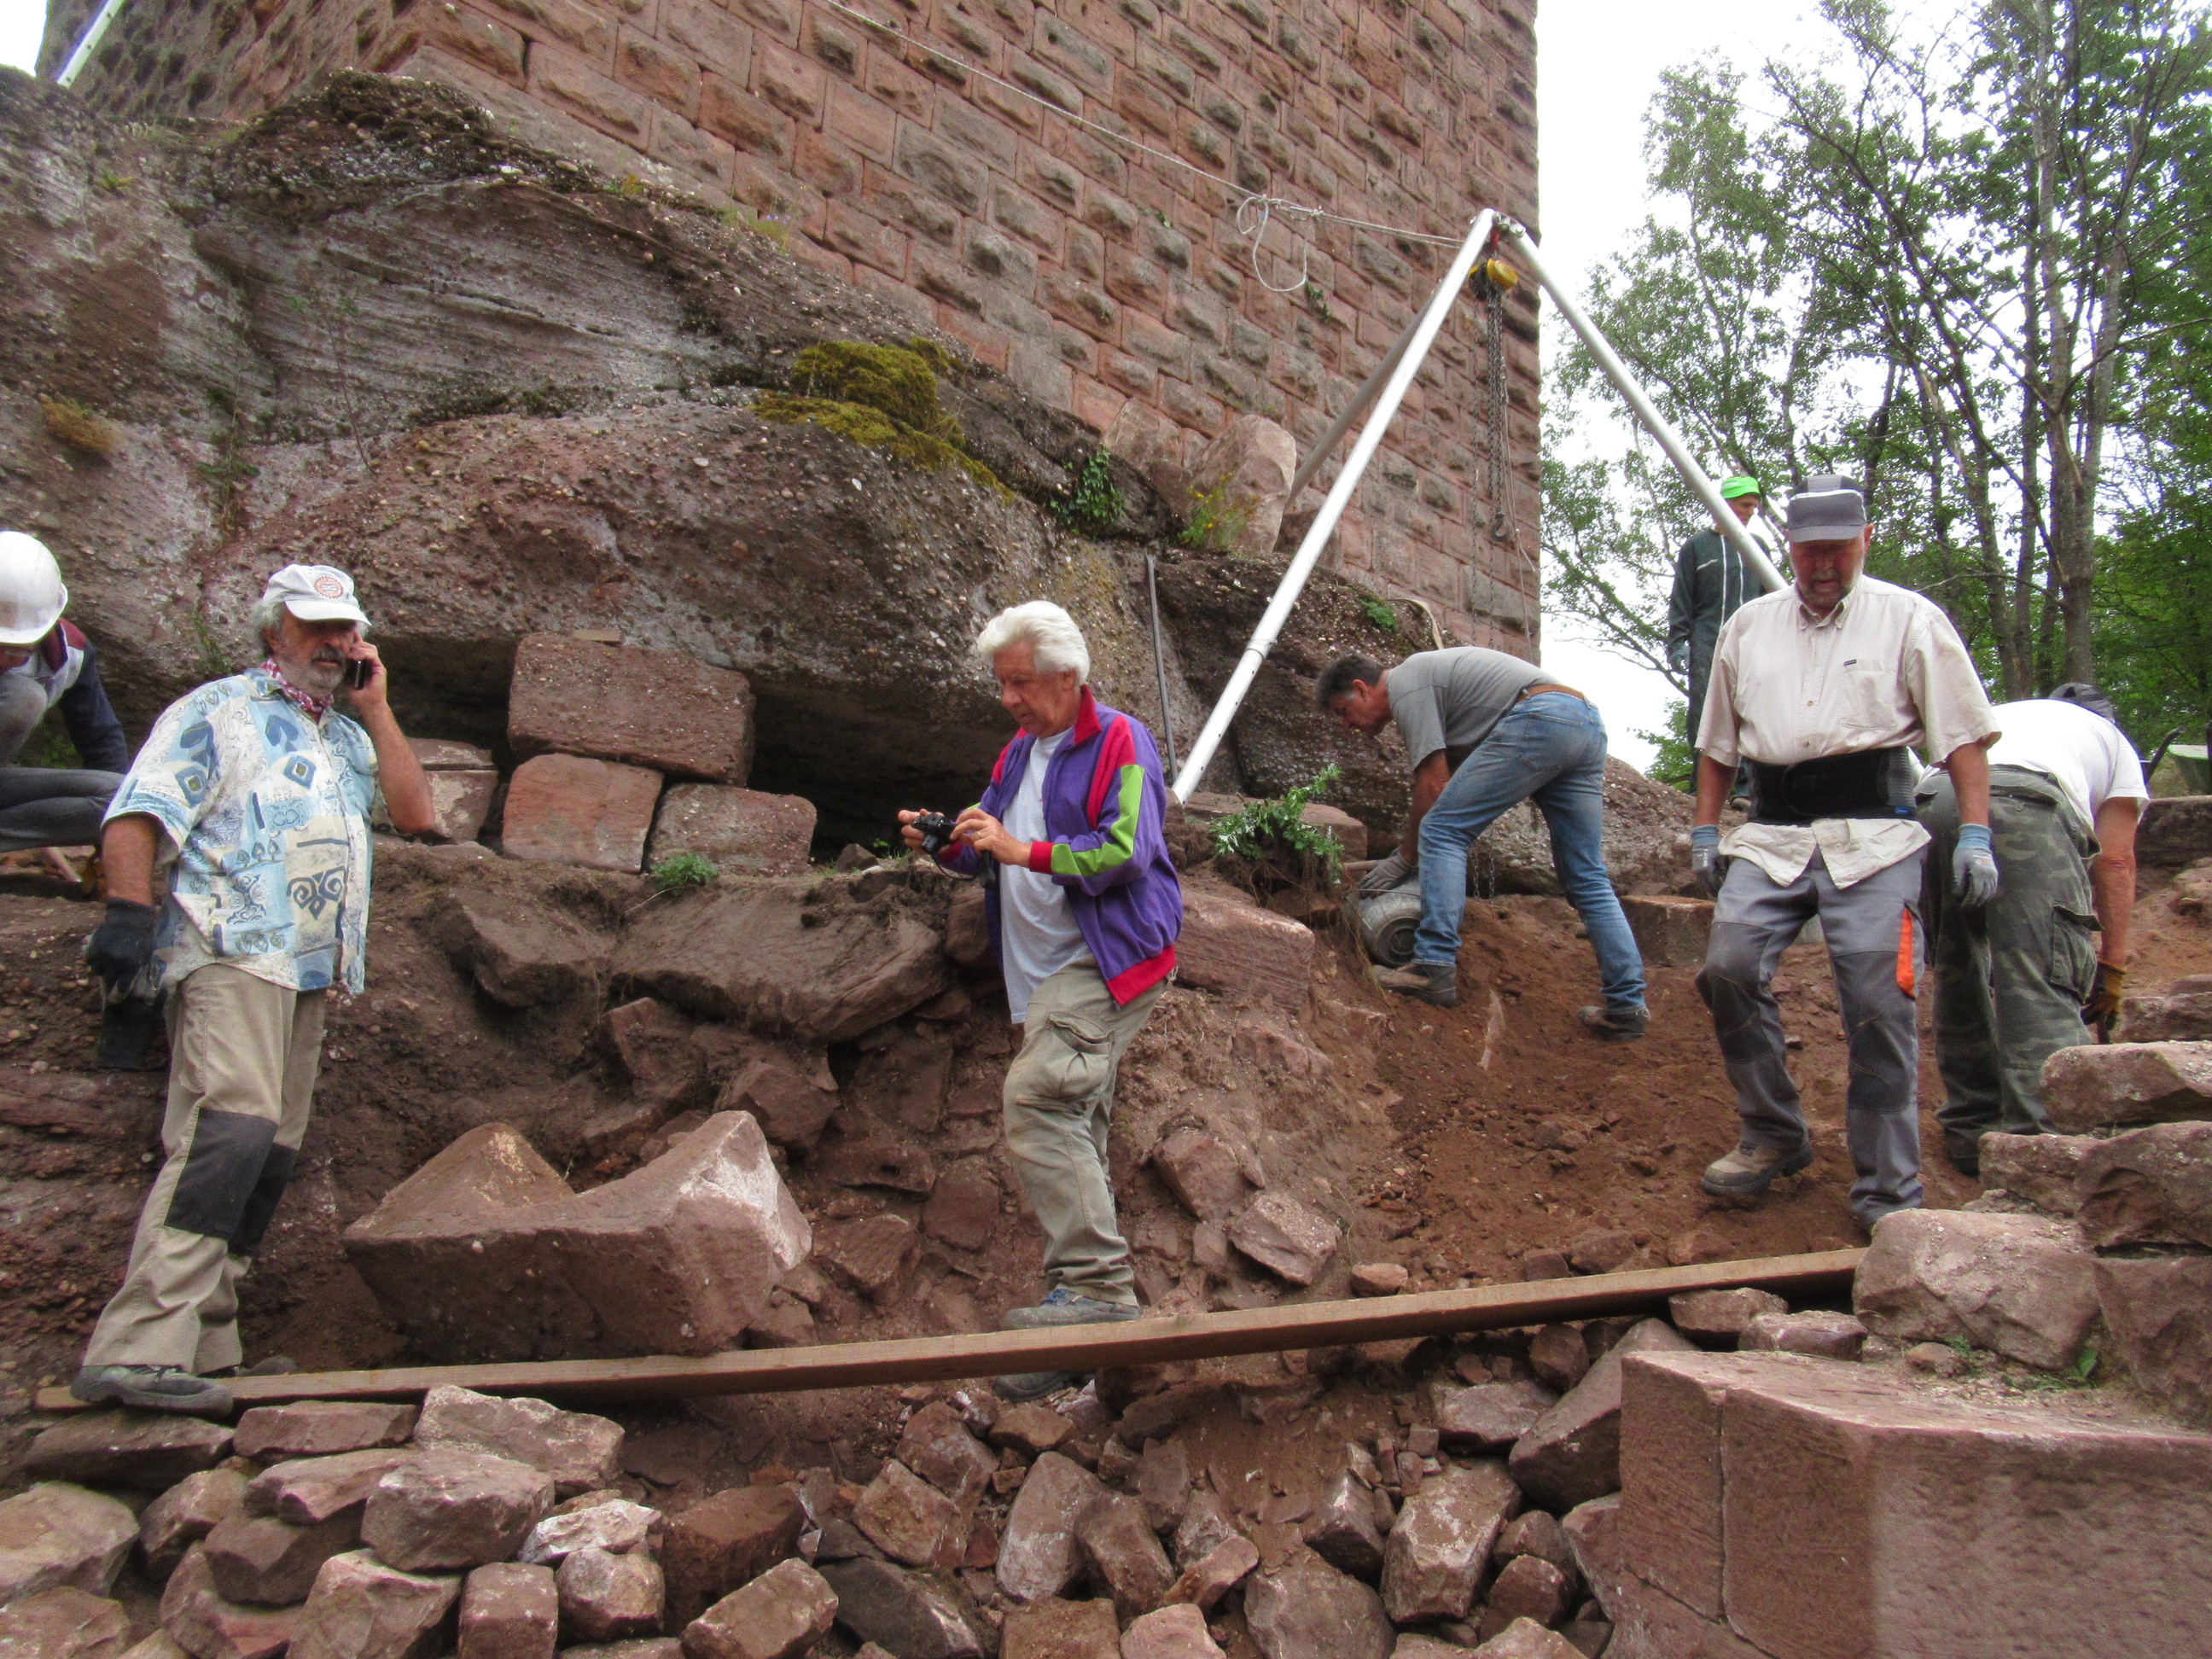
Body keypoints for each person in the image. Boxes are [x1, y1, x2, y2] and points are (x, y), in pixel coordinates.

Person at [72, 565, 434, 1416]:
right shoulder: (217, 710)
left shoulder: (346, 736)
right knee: (230, 1128)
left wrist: (377, 709)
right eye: (315, 627)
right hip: (227, 949)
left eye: (345, 628)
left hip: (309, 969)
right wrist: (127, 911)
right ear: (274, 631)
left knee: (269, 1153)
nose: (334, 643)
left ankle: (208, 1343)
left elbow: (419, 816)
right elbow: (137, 812)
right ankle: (137, 1347)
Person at [1690, 475, 2000, 1229]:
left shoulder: (1909, 619)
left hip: (1876, 835)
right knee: (1727, 969)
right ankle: (1774, 1131)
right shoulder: (1748, 628)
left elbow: (1963, 736)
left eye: (1837, 548)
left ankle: (1889, 1193)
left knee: (1879, 1000)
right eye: (1808, 551)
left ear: (1865, 541)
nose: (1823, 564)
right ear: (1788, 547)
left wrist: (1977, 833)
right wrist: (1705, 829)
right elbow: (1718, 745)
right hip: (1772, 833)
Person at [902, 601, 1181, 1400]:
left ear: (1067, 675)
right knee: (1076, 1121)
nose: (1010, 699)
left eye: (1021, 683)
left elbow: (1127, 850)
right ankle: (1080, 1330)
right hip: (1044, 972)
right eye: (1002, 684)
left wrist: (1021, 848)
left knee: (1041, 1099)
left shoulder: (1121, 739)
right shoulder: (1019, 752)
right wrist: (947, 843)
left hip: (1106, 959)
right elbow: (993, 852)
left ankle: (1098, 1294)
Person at [1318, 647, 1648, 1038]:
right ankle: (1627, 1005)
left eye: (1343, 712)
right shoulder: (1443, 692)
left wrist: (1404, 859)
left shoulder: (1407, 683)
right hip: (1583, 723)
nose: (1347, 726)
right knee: (1587, 876)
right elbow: (1453, 782)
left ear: (1362, 689)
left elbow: (1434, 786)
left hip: (1542, 717)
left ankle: (1432, 967)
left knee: (1442, 831)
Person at [1918, 683, 2146, 1172]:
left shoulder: (2009, 713)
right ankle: (2047, 1146)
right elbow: (2116, 861)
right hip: (2025, 805)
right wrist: (2112, 964)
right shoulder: (2111, 739)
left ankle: (1972, 1133)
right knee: (2038, 971)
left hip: (1933, 800)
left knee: (1957, 970)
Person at [0, 531, 130, 861]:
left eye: (16, 650)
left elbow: (101, 740)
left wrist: (114, 848)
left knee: (125, 798)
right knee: (23, 698)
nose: (3, 660)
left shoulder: (71, 653)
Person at [1666, 476, 1780, 746]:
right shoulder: (1697, 546)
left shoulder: (1757, 547)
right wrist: (1677, 643)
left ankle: (1747, 772)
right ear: (1724, 505)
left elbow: (1771, 600)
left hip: (1751, 644)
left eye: (1754, 507)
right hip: (1707, 644)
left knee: (1750, 710)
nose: (1751, 512)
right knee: (1706, 714)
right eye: (1745, 505)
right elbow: (1682, 598)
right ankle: (1702, 771)